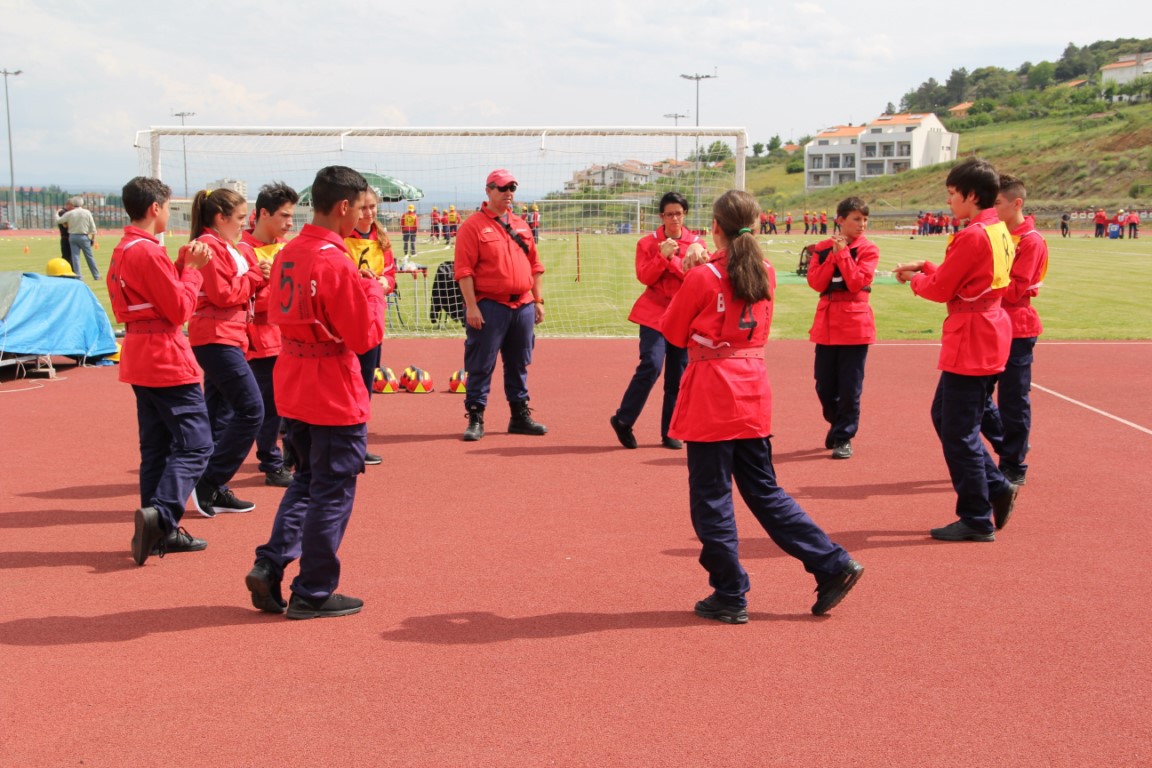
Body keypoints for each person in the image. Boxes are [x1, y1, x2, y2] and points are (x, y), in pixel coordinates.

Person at [662, 189, 863, 623]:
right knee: (764, 491)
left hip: (713, 389)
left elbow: (674, 332)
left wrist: (690, 269)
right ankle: (831, 562)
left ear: (715, 226)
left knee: (712, 497)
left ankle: (730, 591)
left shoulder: (703, 276)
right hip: (751, 385)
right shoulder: (765, 271)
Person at [245, 165, 385, 620]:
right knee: (333, 490)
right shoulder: (335, 260)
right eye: (360, 208)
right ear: (343, 207)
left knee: (306, 481)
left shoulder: (288, 252)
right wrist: (375, 291)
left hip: (294, 377)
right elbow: (363, 337)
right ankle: (314, 590)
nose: (362, 217)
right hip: (331, 386)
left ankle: (270, 562)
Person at [894, 157, 1020, 542]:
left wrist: (917, 279)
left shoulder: (972, 235)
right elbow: (967, 275)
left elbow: (943, 288)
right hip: (987, 329)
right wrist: (929, 267)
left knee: (958, 432)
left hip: (971, 335)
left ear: (970, 195)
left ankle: (977, 515)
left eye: (952, 194)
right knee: (948, 417)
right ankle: (995, 486)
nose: (949, 201)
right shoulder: (996, 230)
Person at [107, 177, 213, 566]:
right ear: (155, 208)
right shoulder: (148, 252)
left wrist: (182, 266)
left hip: (139, 353)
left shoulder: (124, 248)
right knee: (197, 443)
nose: (169, 213)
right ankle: (162, 516)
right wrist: (194, 271)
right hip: (163, 355)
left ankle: (158, 530)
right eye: (168, 207)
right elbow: (180, 309)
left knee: (156, 446)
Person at [179, 188, 269, 517]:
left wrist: (256, 278)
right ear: (221, 217)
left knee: (220, 416)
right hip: (217, 337)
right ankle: (210, 480)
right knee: (251, 410)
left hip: (228, 335)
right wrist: (257, 277)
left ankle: (208, 483)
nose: (244, 225)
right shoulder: (209, 247)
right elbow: (223, 293)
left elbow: (235, 289)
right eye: (241, 218)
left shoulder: (225, 246)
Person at [454, 168, 547, 441]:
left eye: (512, 189)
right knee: (481, 364)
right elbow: (464, 271)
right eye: (503, 188)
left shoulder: (521, 225)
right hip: (490, 306)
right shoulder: (472, 226)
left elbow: (535, 266)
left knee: (519, 363)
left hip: (523, 305)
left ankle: (519, 416)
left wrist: (538, 300)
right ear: (488, 191)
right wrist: (471, 306)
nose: (508, 194)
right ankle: (476, 417)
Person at [610, 192, 707, 451]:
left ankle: (671, 430)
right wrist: (660, 256)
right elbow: (645, 277)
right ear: (661, 216)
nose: (675, 219)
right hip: (654, 313)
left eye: (679, 213)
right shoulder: (648, 243)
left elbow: (694, 279)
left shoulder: (697, 244)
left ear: (685, 214)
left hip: (684, 315)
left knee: (679, 374)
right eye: (669, 214)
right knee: (651, 364)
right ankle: (623, 419)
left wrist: (671, 259)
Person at [980, 174, 1048, 487]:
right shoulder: (996, 234)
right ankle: (1010, 443)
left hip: (1016, 328)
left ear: (1016, 203)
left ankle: (1014, 463)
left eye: (997, 204)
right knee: (976, 395)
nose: (992, 210)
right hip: (990, 323)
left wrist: (979, 280)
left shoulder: (1031, 241)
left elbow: (1017, 289)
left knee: (1013, 399)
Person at [806, 196, 879, 460]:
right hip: (826, 323)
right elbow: (816, 282)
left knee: (850, 387)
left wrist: (844, 254)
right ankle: (837, 424)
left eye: (864, 220)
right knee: (823, 385)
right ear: (840, 221)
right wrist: (832, 257)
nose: (862, 225)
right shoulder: (822, 248)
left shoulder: (869, 249)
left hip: (854, 324)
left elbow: (856, 282)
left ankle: (844, 436)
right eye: (856, 219)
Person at [242, 182, 298, 487]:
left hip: (290, 339)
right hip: (261, 342)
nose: (290, 223)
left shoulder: (287, 246)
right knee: (267, 405)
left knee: (291, 402)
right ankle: (270, 460)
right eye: (284, 216)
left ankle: (289, 455)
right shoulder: (244, 250)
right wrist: (277, 291)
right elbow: (250, 301)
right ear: (263, 214)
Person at [344, 186, 398, 465]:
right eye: (363, 207)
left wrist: (385, 283)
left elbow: (391, 273)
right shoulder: (343, 237)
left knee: (365, 383)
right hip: (347, 320)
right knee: (345, 382)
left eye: (372, 207)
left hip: (373, 320)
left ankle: (357, 441)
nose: (368, 213)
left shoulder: (382, 238)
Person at [56, 197, 100, 280]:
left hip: (72, 236)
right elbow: (93, 227)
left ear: (73, 204)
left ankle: (79, 276)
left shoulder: (70, 213)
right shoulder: (87, 212)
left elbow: (59, 221)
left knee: (75, 257)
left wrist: (56, 213)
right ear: (81, 204)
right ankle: (96, 275)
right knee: (89, 256)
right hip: (84, 236)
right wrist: (93, 238)